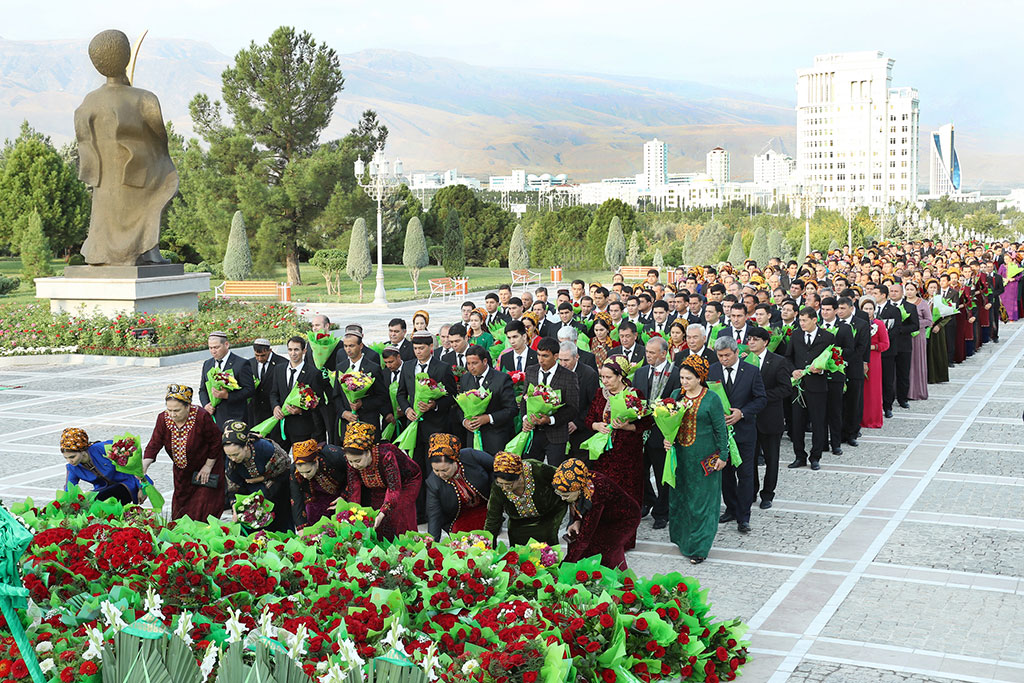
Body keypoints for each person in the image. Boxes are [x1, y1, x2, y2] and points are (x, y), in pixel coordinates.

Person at [663, 355, 729, 564]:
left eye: (688, 378)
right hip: (680, 458)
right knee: (681, 499)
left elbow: (721, 429)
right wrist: (667, 439)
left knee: (702, 503)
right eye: (682, 378)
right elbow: (669, 423)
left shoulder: (711, 398)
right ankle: (683, 540)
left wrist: (723, 455)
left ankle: (700, 547)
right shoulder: (676, 395)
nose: (684, 382)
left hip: (705, 459)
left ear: (700, 377)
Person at [585, 357, 653, 549]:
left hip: (628, 457)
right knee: (603, 495)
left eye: (609, 377)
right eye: (602, 377)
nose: (605, 381)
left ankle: (625, 540)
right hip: (604, 456)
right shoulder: (600, 394)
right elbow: (589, 419)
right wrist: (596, 425)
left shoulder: (634, 394)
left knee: (627, 497)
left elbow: (647, 422)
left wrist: (627, 426)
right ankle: (604, 537)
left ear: (620, 376)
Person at [707, 336, 766, 533]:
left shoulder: (751, 371)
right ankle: (731, 509)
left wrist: (742, 413)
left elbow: (761, 399)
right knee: (726, 475)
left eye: (727, 355)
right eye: (720, 356)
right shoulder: (712, 370)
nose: (723, 359)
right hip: (720, 433)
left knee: (745, 474)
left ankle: (744, 516)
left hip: (744, 432)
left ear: (736, 352)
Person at [396, 330, 457, 516]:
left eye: (421, 348)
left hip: (435, 427)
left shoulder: (442, 368)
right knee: (415, 468)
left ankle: (438, 510)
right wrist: (407, 409)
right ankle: (420, 511)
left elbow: (452, 396)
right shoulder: (407, 366)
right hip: (414, 427)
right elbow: (401, 393)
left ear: (431, 347)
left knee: (435, 469)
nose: (418, 352)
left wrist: (434, 405)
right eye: (415, 348)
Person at [142, 384, 225, 520]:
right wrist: (145, 464)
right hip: (182, 473)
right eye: (169, 410)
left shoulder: (201, 417)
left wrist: (208, 466)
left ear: (188, 406)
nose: (172, 414)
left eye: (177, 410)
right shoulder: (163, 419)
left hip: (206, 470)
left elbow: (216, 441)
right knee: (181, 512)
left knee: (203, 510)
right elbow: (154, 443)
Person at [554, 458, 640, 570]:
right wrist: (577, 520)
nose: (562, 498)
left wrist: (566, 566)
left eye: (566, 495)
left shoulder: (596, 494)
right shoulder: (580, 481)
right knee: (584, 547)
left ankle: (622, 579)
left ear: (578, 488)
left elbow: (585, 538)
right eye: (560, 494)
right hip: (605, 515)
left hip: (625, 518)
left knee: (607, 552)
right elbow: (577, 504)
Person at [342, 422, 422, 540]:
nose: (354, 465)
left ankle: (406, 544)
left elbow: (394, 489)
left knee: (397, 513)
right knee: (374, 515)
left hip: (406, 482)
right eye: (350, 461)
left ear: (368, 452)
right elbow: (354, 489)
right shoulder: (352, 463)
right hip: (379, 485)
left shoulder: (386, 455)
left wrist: (383, 512)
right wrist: (353, 515)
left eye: (358, 461)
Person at [632, 337, 680, 529]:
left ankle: (662, 511)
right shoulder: (641, 372)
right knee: (640, 471)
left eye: (652, 353)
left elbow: (678, 403)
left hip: (663, 433)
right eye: (647, 352)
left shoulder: (676, 373)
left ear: (663, 353)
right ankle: (648, 500)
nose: (648, 356)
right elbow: (634, 397)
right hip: (641, 431)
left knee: (662, 474)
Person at [744, 326, 791, 510]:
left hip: (770, 417)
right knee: (750, 459)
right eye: (749, 339)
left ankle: (768, 494)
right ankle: (751, 491)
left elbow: (786, 388)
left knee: (772, 459)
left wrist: (761, 397)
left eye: (755, 339)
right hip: (750, 419)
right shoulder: (745, 360)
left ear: (765, 342)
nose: (751, 342)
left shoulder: (778, 361)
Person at [222, 420, 294, 532]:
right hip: (250, 492)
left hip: (276, 486)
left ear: (246, 446)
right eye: (229, 455)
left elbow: (286, 465)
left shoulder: (265, 448)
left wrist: (263, 478)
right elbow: (233, 487)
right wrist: (235, 507)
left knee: (281, 525)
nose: (233, 458)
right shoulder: (231, 462)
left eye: (236, 454)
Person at [786, 307, 835, 470]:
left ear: (814, 320)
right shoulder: (796, 335)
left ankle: (815, 457)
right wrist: (793, 370)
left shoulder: (827, 337)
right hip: (798, 386)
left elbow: (834, 360)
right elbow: (788, 357)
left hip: (817, 386)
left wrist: (821, 370)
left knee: (818, 422)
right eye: (800, 320)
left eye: (804, 320)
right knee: (797, 423)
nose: (801, 323)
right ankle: (799, 456)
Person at [484, 451, 566, 546]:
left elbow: (565, 479)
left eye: (508, 485)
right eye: (500, 483)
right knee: (517, 547)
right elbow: (493, 518)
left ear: (519, 477)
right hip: (518, 521)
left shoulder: (538, 470)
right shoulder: (498, 488)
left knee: (546, 542)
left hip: (549, 513)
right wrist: (488, 545)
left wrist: (573, 503)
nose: (504, 488)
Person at [521, 337, 580, 464]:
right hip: (532, 433)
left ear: (556, 356)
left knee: (554, 473)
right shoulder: (531, 371)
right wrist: (525, 418)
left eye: (545, 356)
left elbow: (573, 408)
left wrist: (550, 420)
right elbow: (524, 399)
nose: (540, 360)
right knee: (529, 470)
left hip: (556, 436)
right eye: (538, 355)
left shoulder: (569, 376)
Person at [425, 433, 494, 540]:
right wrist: (431, 544)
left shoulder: (471, 456)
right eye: (436, 470)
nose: (441, 474)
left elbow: (496, 468)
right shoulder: (433, 483)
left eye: (445, 470)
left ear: (455, 461)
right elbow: (434, 515)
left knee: (490, 529)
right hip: (460, 515)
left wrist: (494, 498)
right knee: (462, 540)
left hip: (486, 506)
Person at [60, 427, 150, 504]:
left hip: (127, 484)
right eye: (66, 458)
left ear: (82, 450)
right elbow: (69, 490)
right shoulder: (72, 468)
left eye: (72, 457)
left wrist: (142, 488)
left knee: (99, 498)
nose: (70, 461)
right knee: (88, 501)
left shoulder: (103, 448)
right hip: (103, 491)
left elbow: (134, 463)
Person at [455, 345, 517, 455]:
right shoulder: (465, 379)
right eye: (468, 364)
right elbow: (459, 407)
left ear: (484, 361)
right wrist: (465, 422)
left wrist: (488, 418)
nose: (471, 367)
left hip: (496, 439)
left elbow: (511, 409)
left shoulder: (501, 379)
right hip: (472, 438)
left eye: (474, 363)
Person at [270, 336, 327, 451]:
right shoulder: (279, 369)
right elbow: (274, 393)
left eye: (296, 350)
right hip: (280, 426)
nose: (293, 353)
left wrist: (301, 410)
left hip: (302, 428)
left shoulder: (313, 373)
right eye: (290, 350)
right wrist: (275, 406)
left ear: (304, 351)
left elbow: (319, 401)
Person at [334, 325, 389, 442]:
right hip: (347, 424)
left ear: (361, 346)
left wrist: (363, 404)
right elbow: (336, 396)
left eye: (352, 346)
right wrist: (343, 413)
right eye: (345, 346)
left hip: (368, 423)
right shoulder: (341, 367)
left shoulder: (373, 368)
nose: (348, 349)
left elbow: (382, 397)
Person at [818, 297, 854, 455]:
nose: (825, 313)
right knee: (820, 411)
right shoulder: (816, 326)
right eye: (823, 310)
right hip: (818, 374)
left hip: (836, 373)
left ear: (836, 311)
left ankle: (836, 443)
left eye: (828, 310)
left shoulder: (844, 328)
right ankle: (822, 442)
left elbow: (850, 350)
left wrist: (834, 354)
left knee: (835, 410)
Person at [200, 331, 256, 429]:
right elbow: (202, 389)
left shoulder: (241, 363)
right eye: (210, 348)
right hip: (214, 418)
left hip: (235, 418)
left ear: (226, 344)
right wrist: (206, 405)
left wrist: (227, 396)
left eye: (216, 347)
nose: (213, 351)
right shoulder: (207, 364)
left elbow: (249, 390)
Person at [290, 438, 349, 530]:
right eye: (301, 472)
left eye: (308, 471)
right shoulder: (295, 471)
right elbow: (296, 497)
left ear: (316, 462)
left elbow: (353, 475)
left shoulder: (334, 456)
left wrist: (344, 496)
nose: (305, 476)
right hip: (314, 499)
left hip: (340, 492)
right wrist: (301, 527)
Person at [877, 283, 919, 412]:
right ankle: (887, 400)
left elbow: (915, 325)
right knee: (888, 375)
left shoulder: (910, 307)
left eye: (896, 291)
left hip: (903, 345)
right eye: (892, 291)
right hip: (888, 346)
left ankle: (902, 398)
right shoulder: (882, 307)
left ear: (902, 293)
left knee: (903, 373)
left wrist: (899, 329)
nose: (894, 293)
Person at [836, 296, 871, 447]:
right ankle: (838, 433)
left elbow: (862, 347)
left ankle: (852, 433)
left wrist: (846, 360)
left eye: (843, 308)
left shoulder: (861, 324)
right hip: (836, 367)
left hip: (854, 367)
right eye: (838, 308)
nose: (840, 311)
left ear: (851, 308)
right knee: (839, 402)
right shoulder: (835, 324)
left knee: (854, 401)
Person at [558, 341, 600, 462]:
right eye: (560, 360)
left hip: (582, 432)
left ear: (576, 357)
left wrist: (577, 423)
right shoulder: (557, 371)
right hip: (560, 431)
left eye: (566, 360)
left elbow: (594, 404)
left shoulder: (589, 374)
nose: (563, 364)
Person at [860, 298, 890, 429]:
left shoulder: (879, 324)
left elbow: (886, 344)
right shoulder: (857, 323)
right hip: (859, 358)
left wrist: (872, 347)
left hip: (874, 360)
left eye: (870, 309)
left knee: (873, 390)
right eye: (865, 309)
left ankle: (873, 419)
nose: (868, 311)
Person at [905, 281, 931, 401]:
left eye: (911, 289)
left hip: (918, 336)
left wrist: (915, 324)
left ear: (916, 290)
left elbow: (929, 320)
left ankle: (916, 391)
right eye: (907, 289)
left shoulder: (922, 303)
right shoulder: (902, 303)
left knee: (917, 361)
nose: (909, 292)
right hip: (904, 336)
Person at [249, 338, 284, 426]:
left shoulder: (282, 363)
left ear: (270, 350)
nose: (260, 359)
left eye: (263, 355)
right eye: (257, 355)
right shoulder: (249, 363)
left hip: (274, 411)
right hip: (255, 412)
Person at [925, 280, 950, 385]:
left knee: (937, 352)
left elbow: (948, 315)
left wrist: (939, 325)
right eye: (931, 287)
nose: (932, 290)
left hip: (937, 330)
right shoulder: (924, 300)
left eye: (935, 288)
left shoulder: (941, 300)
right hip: (925, 329)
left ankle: (938, 376)